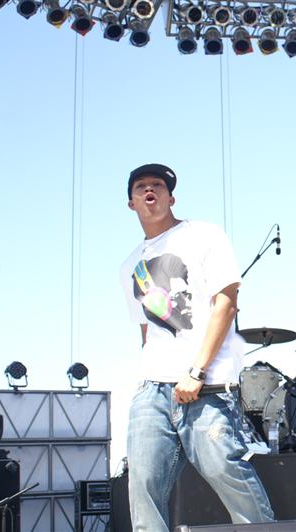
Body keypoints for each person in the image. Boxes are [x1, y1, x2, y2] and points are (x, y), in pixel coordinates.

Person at [120, 163, 274, 531]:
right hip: (153, 389)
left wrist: (197, 370)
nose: (150, 190)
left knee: (224, 469)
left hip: (207, 384)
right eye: (141, 186)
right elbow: (146, 330)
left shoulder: (204, 235)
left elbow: (227, 303)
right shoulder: (130, 267)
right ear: (131, 203)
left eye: (158, 185)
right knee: (142, 486)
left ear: (171, 198)